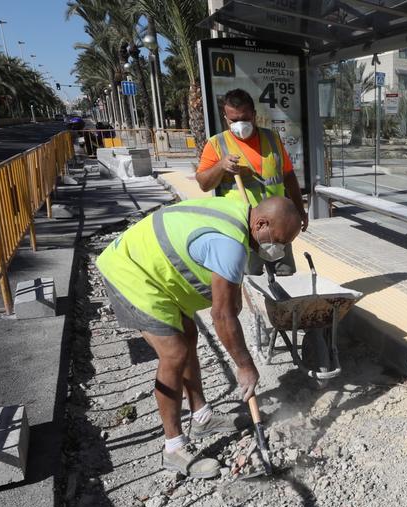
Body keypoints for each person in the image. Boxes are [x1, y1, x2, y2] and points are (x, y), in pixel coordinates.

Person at [95, 195, 303, 478]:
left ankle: (202, 418)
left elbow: (226, 300)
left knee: (188, 335)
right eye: (277, 240)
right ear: (261, 223)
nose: (277, 249)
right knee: (174, 353)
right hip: (132, 271)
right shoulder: (230, 245)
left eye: (284, 244)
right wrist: (245, 366)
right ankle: (173, 448)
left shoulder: (239, 209)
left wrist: (230, 300)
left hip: (154, 268)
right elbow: (222, 317)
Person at [196, 88, 308, 276]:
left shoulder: (272, 139)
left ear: (254, 115)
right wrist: (220, 166)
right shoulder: (217, 144)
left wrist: (300, 210)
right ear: (226, 118)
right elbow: (203, 183)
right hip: (244, 230)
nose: (240, 124)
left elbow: (288, 175)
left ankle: (283, 306)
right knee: (249, 277)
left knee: (285, 274)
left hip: (278, 225)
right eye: (234, 120)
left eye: (245, 118)